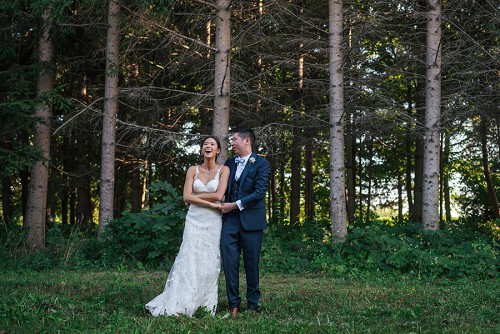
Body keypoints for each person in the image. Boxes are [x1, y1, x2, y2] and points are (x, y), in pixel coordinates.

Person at [145, 136, 230, 317]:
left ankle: (205, 303)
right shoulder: (193, 169)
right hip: (194, 219)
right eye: (205, 144)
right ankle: (183, 300)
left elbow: (219, 194)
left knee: (209, 259)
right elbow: (186, 197)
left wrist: (196, 198)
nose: (208, 146)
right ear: (201, 150)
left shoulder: (225, 170)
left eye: (212, 144)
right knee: (189, 256)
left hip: (212, 221)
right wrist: (209, 202)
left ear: (218, 151)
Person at [219, 127, 271, 317]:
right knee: (229, 263)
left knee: (252, 263)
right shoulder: (229, 163)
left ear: (246, 140)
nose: (232, 143)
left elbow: (259, 193)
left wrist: (234, 205)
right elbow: (221, 187)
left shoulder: (262, 164)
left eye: (234, 140)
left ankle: (252, 303)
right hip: (229, 222)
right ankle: (233, 304)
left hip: (252, 222)